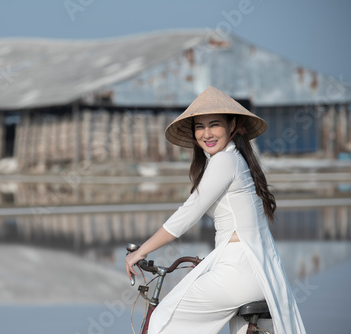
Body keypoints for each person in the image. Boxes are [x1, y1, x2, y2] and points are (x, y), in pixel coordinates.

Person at [125, 86, 306, 334]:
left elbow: (187, 214)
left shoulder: (225, 160)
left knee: (163, 321)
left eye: (214, 125)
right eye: (199, 127)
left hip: (237, 272)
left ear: (232, 125)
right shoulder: (235, 160)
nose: (207, 134)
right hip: (255, 271)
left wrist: (140, 251)